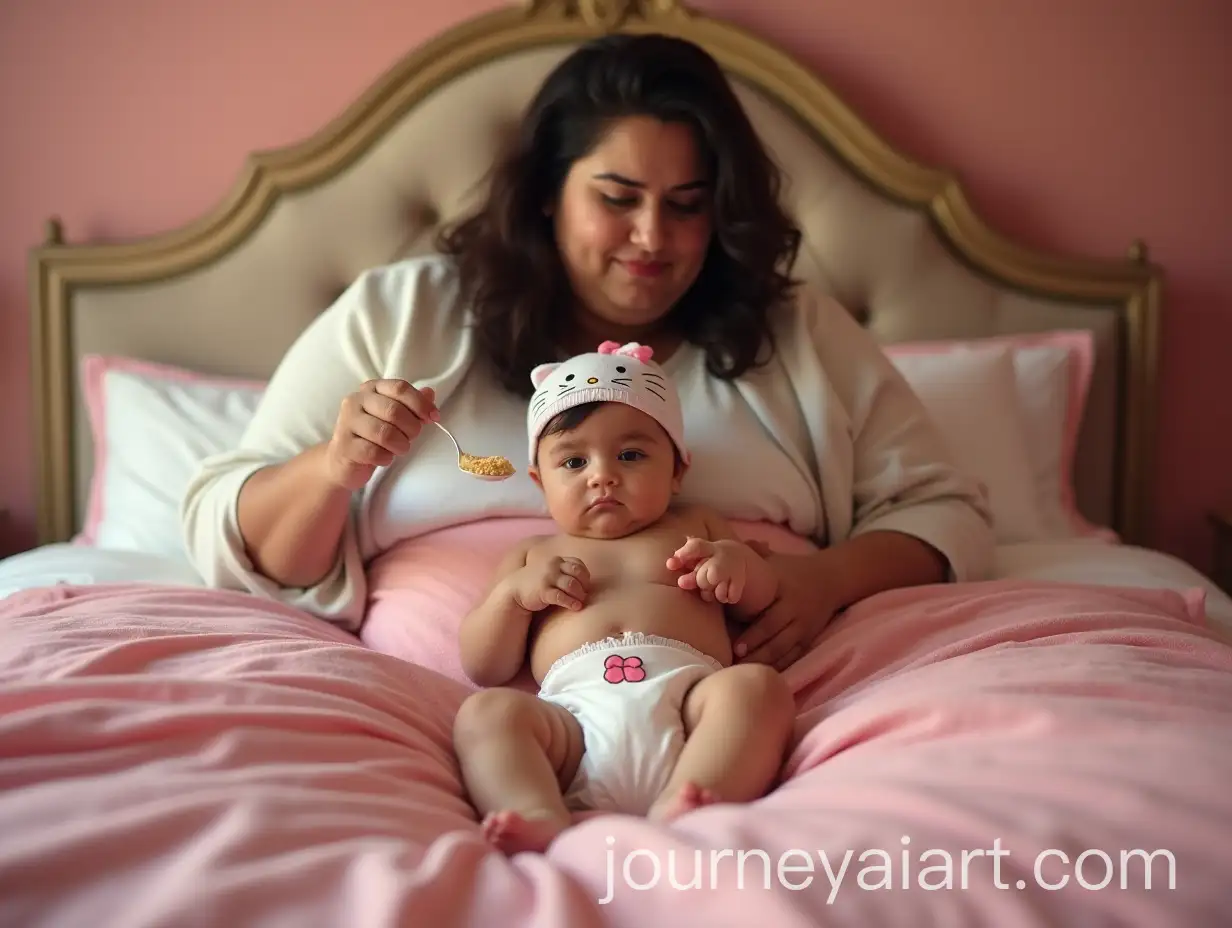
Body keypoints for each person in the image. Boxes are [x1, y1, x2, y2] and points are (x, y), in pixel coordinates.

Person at [180, 33, 993, 673]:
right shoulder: (400, 315)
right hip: (441, 712)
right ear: (546, 193)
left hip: (742, 707)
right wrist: (335, 468)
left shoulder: (795, 332)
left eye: (687, 206)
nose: (652, 238)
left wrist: (824, 581)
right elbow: (234, 543)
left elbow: (945, 514)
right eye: (617, 199)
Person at [452, 340, 796, 854]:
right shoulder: (533, 554)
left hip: (690, 702)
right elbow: (484, 667)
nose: (602, 475)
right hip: (572, 722)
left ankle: (696, 795)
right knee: (486, 714)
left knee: (756, 689)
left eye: (631, 455)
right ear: (539, 483)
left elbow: (760, 602)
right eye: (572, 462)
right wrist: (513, 600)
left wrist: (736, 567)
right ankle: (536, 810)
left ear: (678, 470)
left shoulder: (698, 526)